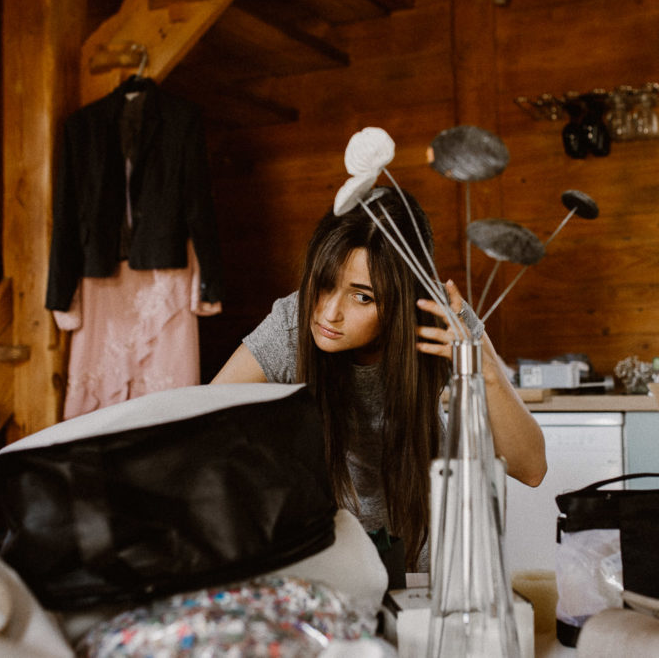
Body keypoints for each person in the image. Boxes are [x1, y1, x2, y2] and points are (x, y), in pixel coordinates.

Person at [211, 187, 545, 571]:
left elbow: (531, 467)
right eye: (324, 283)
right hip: (327, 551)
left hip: (431, 545)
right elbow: (201, 429)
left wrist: (481, 367)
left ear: (402, 297)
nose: (329, 313)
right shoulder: (293, 322)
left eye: (363, 297)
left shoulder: (440, 319)